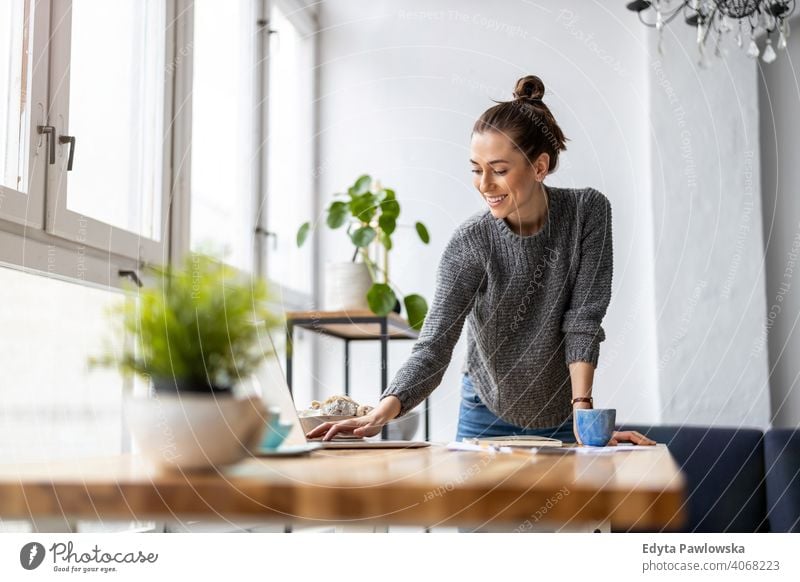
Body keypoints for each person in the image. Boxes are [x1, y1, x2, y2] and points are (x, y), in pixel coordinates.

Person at [307, 75, 654, 446]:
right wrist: (381, 412)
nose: (484, 184)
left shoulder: (588, 213)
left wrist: (584, 413)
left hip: (563, 411)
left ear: (539, 167)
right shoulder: (471, 242)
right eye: (476, 168)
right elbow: (435, 345)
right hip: (485, 410)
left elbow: (584, 319)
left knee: (562, 504)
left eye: (499, 170)